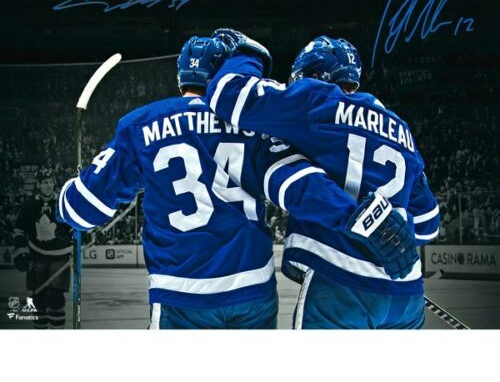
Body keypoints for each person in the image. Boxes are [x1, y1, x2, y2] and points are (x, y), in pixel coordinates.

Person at [56, 36, 366, 329]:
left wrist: (71, 192)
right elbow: (294, 184)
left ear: (181, 78)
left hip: (181, 291)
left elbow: (82, 210)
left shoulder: (140, 125)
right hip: (252, 290)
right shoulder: (257, 125)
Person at [206, 29, 440, 329]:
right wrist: (387, 242)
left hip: (341, 282)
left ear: (316, 74)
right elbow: (427, 222)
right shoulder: (400, 128)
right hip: (406, 295)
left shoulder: (317, 99)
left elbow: (228, 93)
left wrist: (247, 53)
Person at [13, 167, 72, 329]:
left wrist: (81, 234)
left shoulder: (62, 202)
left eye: (50, 182)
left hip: (60, 257)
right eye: (45, 182)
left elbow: (74, 226)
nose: (49, 185)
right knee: (38, 300)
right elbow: (19, 230)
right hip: (37, 256)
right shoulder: (29, 205)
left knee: (55, 298)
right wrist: (20, 252)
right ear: (38, 184)